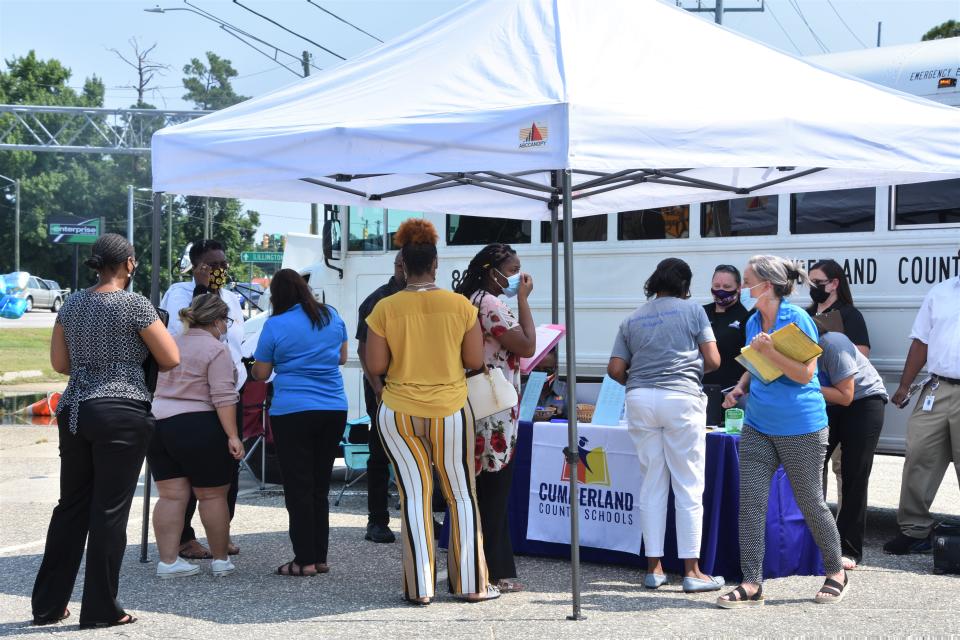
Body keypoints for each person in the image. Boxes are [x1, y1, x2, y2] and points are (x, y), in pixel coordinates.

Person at [32, 234, 179, 629]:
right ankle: (100, 608)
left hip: (76, 409)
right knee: (109, 512)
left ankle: (47, 605)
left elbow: (61, 363)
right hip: (121, 409)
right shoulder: (134, 304)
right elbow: (170, 357)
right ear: (129, 264)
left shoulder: (73, 302)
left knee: (71, 508)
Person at [363, 218, 497, 605]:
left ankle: (420, 588)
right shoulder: (459, 306)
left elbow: (375, 366)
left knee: (413, 496)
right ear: (436, 264)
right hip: (451, 409)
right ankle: (472, 583)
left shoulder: (384, 308)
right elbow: (474, 359)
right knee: (460, 495)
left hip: (398, 412)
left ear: (402, 265)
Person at [717, 255, 847, 609]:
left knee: (810, 503)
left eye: (747, 281)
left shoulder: (797, 318)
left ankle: (836, 571)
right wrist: (741, 385)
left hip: (801, 425)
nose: (743, 288)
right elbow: (754, 360)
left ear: (768, 285)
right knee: (751, 505)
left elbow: (806, 374)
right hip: (758, 423)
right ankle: (752, 582)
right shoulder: (753, 320)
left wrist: (771, 350)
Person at [606, 258, 723, 594]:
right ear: (684, 285)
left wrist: (641, 378)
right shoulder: (694, 312)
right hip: (681, 399)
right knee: (687, 483)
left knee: (652, 483)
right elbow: (713, 360)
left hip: (640, 399)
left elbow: (615, 369)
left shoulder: (632, 318)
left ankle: (654, 569)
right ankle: (692, 571)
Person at [251, 269, 348, 577]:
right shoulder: (331, 316)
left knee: (298, 487)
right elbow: (342, 358)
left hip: (292, 411)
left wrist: (255, 366)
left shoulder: (275, 324)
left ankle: (303, 560)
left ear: (277, 296)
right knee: (319, 486)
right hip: (333, 407)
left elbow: (262, 373)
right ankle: (320, 557)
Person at [454, 243, 537, 593]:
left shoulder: (467, 299)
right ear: (493, 271)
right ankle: (495, 571)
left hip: (473, 404)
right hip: (495, 410)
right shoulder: (489, 304)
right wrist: (524, 299)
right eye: (513, 269)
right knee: (495, 490)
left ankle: (476, 566)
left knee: (476, 491)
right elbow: (527, 345)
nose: (518, 276)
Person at [160, 239, 245, 559]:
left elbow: (238, 341)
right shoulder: (179, 293)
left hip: (229, 390)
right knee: (187, 473)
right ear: (197, 266)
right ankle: (184, 538)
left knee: (229, 467)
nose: (221, 270)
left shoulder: (232, 299)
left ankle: (220, 534)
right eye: (213, 265)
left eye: (224, 264)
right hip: (192, 396)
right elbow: (175, 338)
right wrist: (201, 287)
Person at [883, 269, 960, 555]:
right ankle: (914, 530)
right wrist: (904, 385)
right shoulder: (941, 292)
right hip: (937, 387)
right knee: (919, 456)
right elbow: (921, 342)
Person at [814, 320, 887, 570]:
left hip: (864, 402)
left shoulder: (833, 343)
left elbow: (846, 396)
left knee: (854, 472)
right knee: (812, 464)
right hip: (832, 403)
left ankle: (849, 548)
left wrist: (803, 382)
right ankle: (815, 539)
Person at [356, 252, 405, 544]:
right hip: (384, 387)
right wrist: (377, 386)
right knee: (379, 453)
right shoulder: (378, 300)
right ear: (398, 266)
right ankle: (377, 520)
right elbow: (363, 351)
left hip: (414, 387)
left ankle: (421, 516)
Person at [702, 264, 752, 425]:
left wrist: (741, 388)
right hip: (701, 392)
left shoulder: (748, 316)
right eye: (716, 286)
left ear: (739, 288)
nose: (721, 290)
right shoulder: (701, 313)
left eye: (727, 286)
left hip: (733, 394)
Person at [806, 259, 870, 356]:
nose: (813, 287)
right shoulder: (806, 314)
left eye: (817, 282)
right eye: (810, 283)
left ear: (834, 284)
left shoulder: (850, 314)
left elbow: (862, 355)